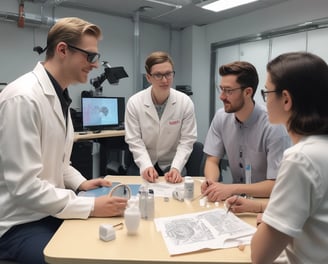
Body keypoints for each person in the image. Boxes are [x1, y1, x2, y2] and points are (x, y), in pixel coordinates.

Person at [0, 17, 127, 263]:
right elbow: (24, 186)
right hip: (18, 223)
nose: (96, 64)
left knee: (105, 244)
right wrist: (90, 207)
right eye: (90, 56)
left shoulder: (59, 95)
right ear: (62, 50)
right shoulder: (23, 99)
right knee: (75, 258)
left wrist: (81, 184)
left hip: (46, 211)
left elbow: (58, 161)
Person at [251, 52, 328, 264]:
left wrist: (265, 225)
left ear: (286, 99)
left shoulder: (301, 158)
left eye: (267, 92)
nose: (264, 100)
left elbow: (259, 255)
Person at [201, 61, 290, 202]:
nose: (222, 97)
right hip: (236, 200)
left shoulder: (273, 125)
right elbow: (212, 160)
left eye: (228, 91)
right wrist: (211, 183)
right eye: (221, 89)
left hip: (265, 202)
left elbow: (276, 185)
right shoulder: (221, 117)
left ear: (248, 92)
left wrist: (232, 189)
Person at [125, 51, 197, 183]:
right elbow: (134, 140)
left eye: (168, 74)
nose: (165, 80)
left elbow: (187, 140)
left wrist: (176, 168)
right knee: (138, 198)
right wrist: (146, 165)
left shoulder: (185, 102)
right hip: (144, 161)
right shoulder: (135, 102)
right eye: (158, 75)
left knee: (177, 200)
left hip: (173, 163)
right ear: (148, 77)